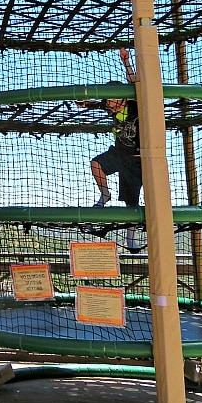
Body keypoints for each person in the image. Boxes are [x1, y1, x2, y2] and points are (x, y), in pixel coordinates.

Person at [76, 49, 143, 253]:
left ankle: (131, 239)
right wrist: (82, 102)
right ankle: (105, 195)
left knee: (131, 202)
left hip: (136, 157)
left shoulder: (134, 105)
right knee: (96, 163)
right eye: (109, 105)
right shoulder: (107, 104)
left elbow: (134, 84)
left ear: (123, 100)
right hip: (118, 153)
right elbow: (93, 104)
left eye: (115, 105)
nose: (111, 109)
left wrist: (126, 62)